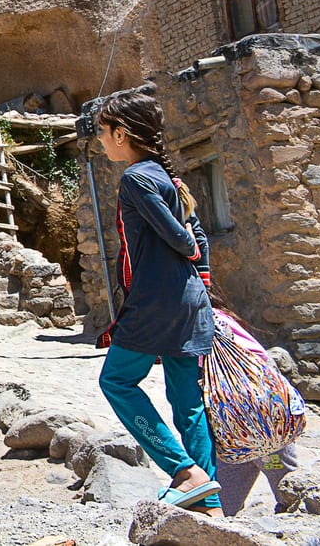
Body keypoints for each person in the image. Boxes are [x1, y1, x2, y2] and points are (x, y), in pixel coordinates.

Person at [94, 88, 221, 515]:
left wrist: (185, 248)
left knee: (116, 381)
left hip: (155, 303)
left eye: (104, 131)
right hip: (187, 300)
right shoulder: (169, 178)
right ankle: (208, 501)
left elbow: (183, 237)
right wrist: (197, 271)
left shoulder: (136, 178)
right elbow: (199, 237)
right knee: (187, 402)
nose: (100, 140)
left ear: (122, 133)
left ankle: (183, 472)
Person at [208, 288, 302, 516]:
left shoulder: (201, 322)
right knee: (276, 471)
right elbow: (261, 357)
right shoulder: (221, 318)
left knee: (276, 474)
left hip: (242, 424)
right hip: (256, 420)